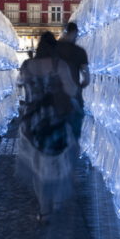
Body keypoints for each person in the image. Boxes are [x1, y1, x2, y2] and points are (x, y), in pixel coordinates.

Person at [17, 32, 80, 222]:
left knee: (38, 166)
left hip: (33, 121)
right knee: (59, 161)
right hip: (55, 119)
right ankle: (58, 201)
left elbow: (20, 87)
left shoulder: (27, 66)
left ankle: (44, 210)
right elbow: (72, 90)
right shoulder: (58, 65)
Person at [55, 22, 89, 140]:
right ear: (74, 32)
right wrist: (80, 86)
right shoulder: (80, 51)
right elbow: (86, 78)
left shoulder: (53, 48)